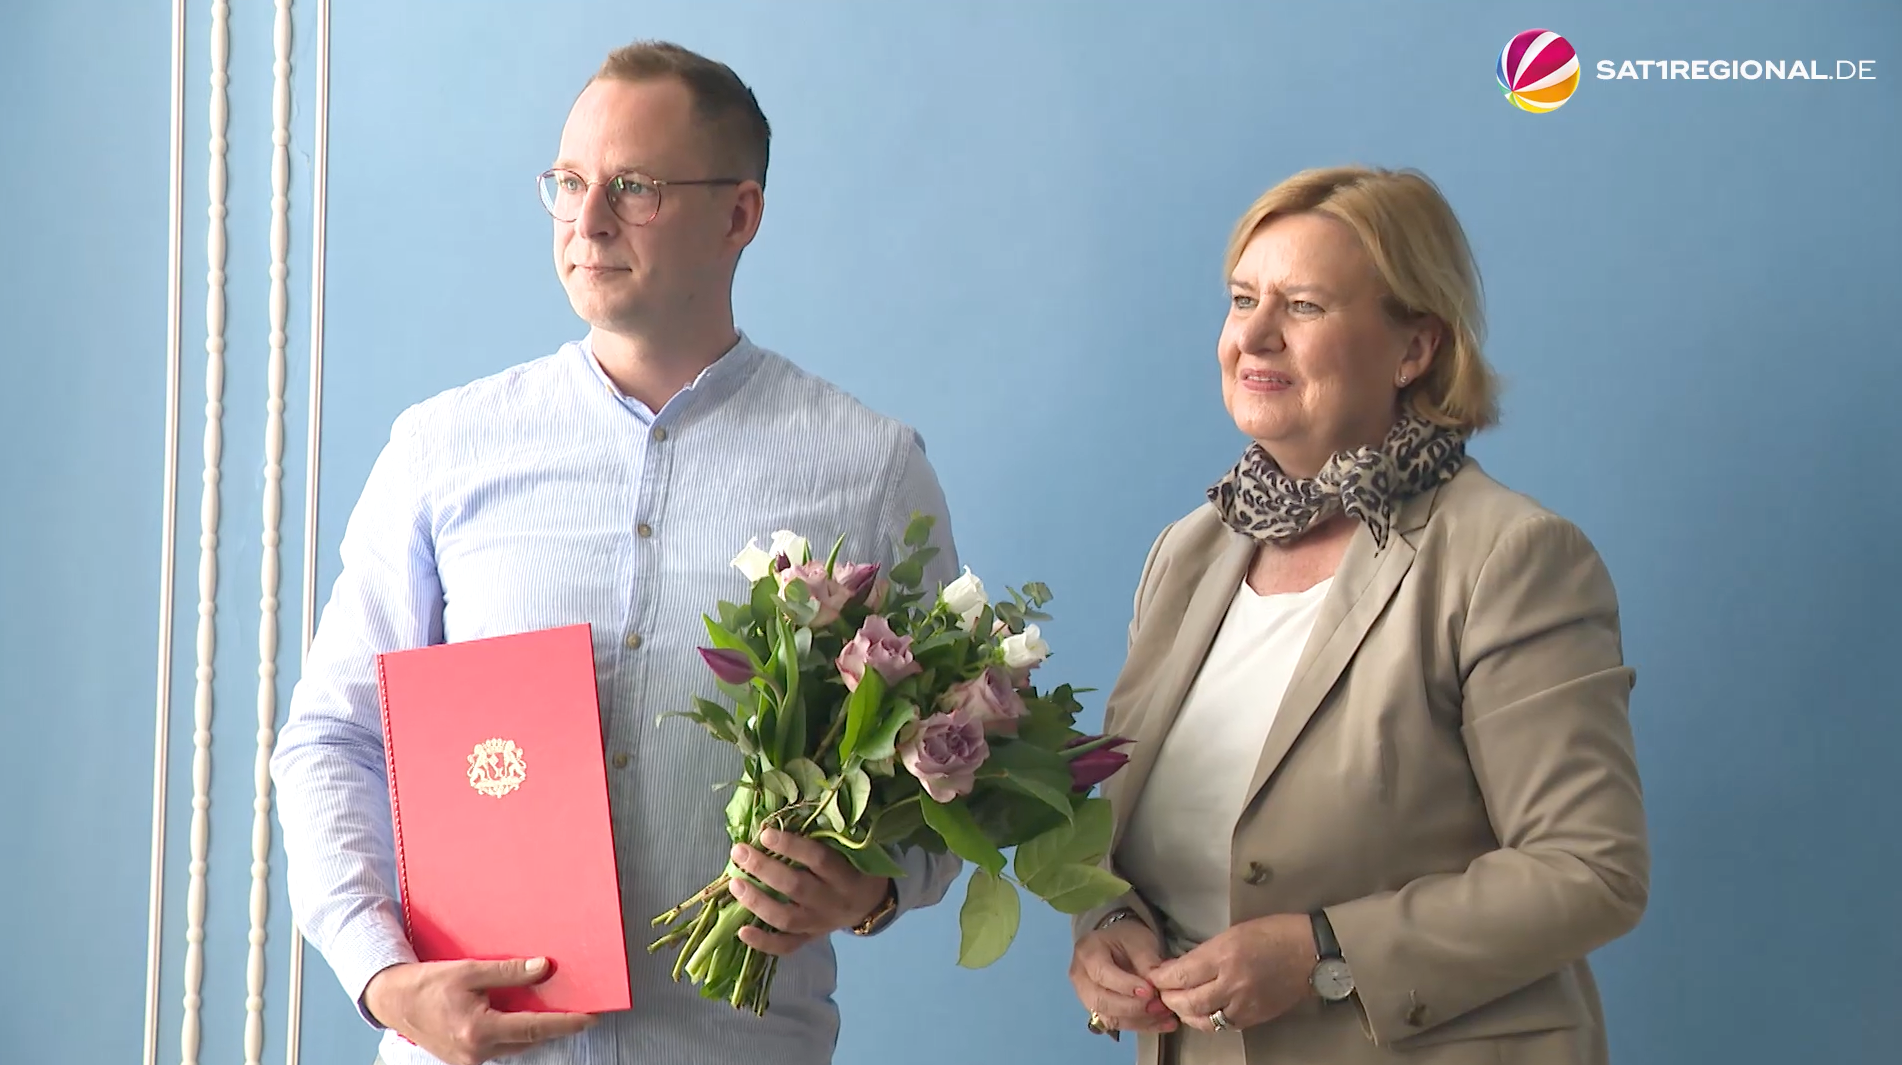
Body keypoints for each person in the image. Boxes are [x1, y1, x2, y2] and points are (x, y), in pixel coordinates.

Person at [270, 40, 962, 1065]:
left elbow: (945, 772)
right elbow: (332, 739)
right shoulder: (442, 449)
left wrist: (872, 888)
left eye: (633, 189)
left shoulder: (867, 470)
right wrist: (383, 976)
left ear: (739, 215)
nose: (586, 222)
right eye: (568, 184)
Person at [1066, 166, 1649, 1064]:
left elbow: (1590, 869)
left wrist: (1324, 950)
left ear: (1414, 349)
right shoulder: (1187, 553)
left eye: (1302, 306)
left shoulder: (1510, 556)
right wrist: (1105, 921)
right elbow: (1127, 827)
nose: (1253, 335)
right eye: (1241, 298)